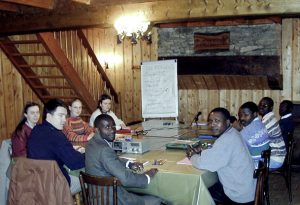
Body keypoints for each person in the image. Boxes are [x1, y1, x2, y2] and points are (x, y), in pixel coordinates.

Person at [85, 114, 167, 205]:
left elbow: (111, 159)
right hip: (113, 199)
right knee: (159, 200)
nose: (112, 130)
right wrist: (147, 177)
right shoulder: (104, 150)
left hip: (95, 198)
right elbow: (126, 179)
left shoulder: (91, 143)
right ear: (97, 130)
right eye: (107, 127)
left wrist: (129, 163)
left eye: (113, 126)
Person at [187, 107, 256, 205]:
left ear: (228, 122)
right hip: (247, 187)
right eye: (210, 121)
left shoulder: (226, 141)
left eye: (217, 121)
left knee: (198, 192)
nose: (212, 125)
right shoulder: (233, 133)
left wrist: (192, 156)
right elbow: (218, 154)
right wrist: (202, 152)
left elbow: (203, 163)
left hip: (239, 196)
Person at [27, 99, 85, 194]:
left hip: (35, 183)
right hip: (55, 186)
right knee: (88, 180)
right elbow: (75, 163)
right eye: (60, 115)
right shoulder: (56, 135)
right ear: (49, 116)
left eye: (65, 116)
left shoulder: (36, 130)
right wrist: (89, 155)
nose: (64, 120)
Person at [238, 102, 270, 167]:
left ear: (255, 114)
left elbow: (233, 148)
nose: (242, 118)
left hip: (253, 167)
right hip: (262, 164)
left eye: (246, 115)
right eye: (240, 115)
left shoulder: (247, 131)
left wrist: (234, 131)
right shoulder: (260, 123)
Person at [258, 97, 286, 168]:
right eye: (260, 105)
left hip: (274, 159)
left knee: (246, 162)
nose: (261, 107)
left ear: (271, 108)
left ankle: (258, 178)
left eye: (265, 106)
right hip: (277, 156)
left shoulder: (267, 121)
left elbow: (256, 139)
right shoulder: (270, 117)